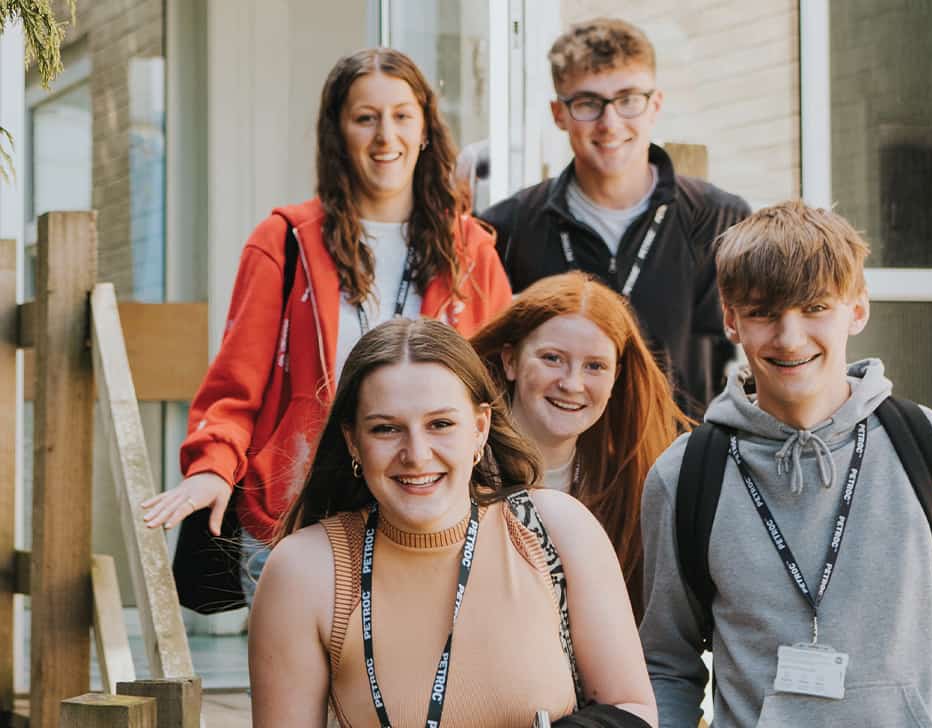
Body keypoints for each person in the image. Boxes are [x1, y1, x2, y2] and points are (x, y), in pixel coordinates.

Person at [142, 48, 512, 604]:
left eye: (401, 115)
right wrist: (212, 467)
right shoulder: (284, 241)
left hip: (431, 504)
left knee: (416, 685)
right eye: (366, 117)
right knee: (298, 686)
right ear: (338, 132)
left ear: (425, 128)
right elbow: (235, 386)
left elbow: (499, 391)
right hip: (301, 511)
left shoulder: (470, 250)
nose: (386, 135)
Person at [639, 201, 932, 726]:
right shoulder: (684, 478)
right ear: (731, 320)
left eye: (815, 308)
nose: (789, 338)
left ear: (857, 309)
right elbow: (667, 665)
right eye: (763, 313)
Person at [248, 318, 657, 728]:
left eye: (440, 424)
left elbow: (634, 710)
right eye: (386, 429)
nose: (417, 454)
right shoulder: (304, 571)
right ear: (354, 441)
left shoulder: (558, 530)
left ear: (479, 429)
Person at [479, 17, 751, 413]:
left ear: (654, 104)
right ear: (559, 114)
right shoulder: (508, 228)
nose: (610, 124)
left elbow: (747, 354)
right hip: (555, 466)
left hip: (687, 460)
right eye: (588, 103)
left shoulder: (721, 220)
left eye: (627, 100)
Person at [472, 271, 690, 619]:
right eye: (552, 358)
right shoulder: (456, 467)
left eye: (594, 366)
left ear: (615, 377)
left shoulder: (627, 485)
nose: (572, 384)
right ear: (510, 360)